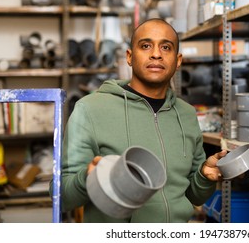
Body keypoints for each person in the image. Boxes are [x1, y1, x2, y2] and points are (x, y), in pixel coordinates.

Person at [53, 18, 227, 222]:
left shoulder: (187, 114)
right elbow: (61, 197)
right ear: (130, 56)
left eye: (166, 47)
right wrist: (86, 178)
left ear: (178, 60)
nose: (156, 54)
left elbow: (194, 195)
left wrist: (205, 177)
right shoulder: (90, 109)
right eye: (145, 46)